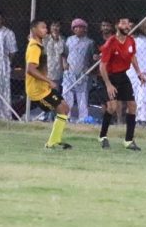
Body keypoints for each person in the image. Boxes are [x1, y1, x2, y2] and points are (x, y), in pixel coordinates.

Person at [98, 17, 146, 151]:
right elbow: (102, 66)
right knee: (112, 107)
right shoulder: (110, 43)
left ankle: (128, 140)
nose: (127, 26)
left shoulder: (131, 40)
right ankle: (102, 136)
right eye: (123, 23)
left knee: (132, 106)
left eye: (128, 24)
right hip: (109, 77)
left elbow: (132, 56)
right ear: (117, 26)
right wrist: (108, 85)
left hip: (122, 76)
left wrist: (139, 73)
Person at [25, 19, 71, 150]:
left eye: (46, 27)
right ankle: (51, 143)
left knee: (65, 108)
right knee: (62, 109)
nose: (45, 30)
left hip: (43, 87)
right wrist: (48, 81)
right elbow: (30, 69)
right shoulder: (34, 47)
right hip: (37, 90)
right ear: (34, 30)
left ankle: (55, 141)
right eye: (42, 27)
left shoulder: (40, 45)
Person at [62, 19, 95, 123]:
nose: (78, 29)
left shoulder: (89, 42)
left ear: (85, 29)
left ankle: (83, 118)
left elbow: (92, 58)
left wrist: (88, 67)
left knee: (82, 96)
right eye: (76, 27)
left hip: (82, 73)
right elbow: (64, 54)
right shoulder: (69, 40)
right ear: (73, 29)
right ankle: (66, 116)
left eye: (81, 27)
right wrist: (64, 64)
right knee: (67, 94)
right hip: (69, 71)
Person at [127, 21, 146, 127]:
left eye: (133, 26)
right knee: (133, 97)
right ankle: (134, 119)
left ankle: (142, 120)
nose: (130, 28)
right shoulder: (124, 41)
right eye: (129, 26)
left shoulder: (144, 40)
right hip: (130, 73)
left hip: (143, 73)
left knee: (143, 96)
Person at [42, 20, 65, 121]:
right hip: (46, 69)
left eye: (57, 26)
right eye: (53, 26)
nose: (55, 28)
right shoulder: (45, 38)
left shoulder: (63, 40)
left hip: (57, 71)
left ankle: (53, 116)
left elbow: (63, 54)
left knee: (55, 94)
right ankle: (45, 115)